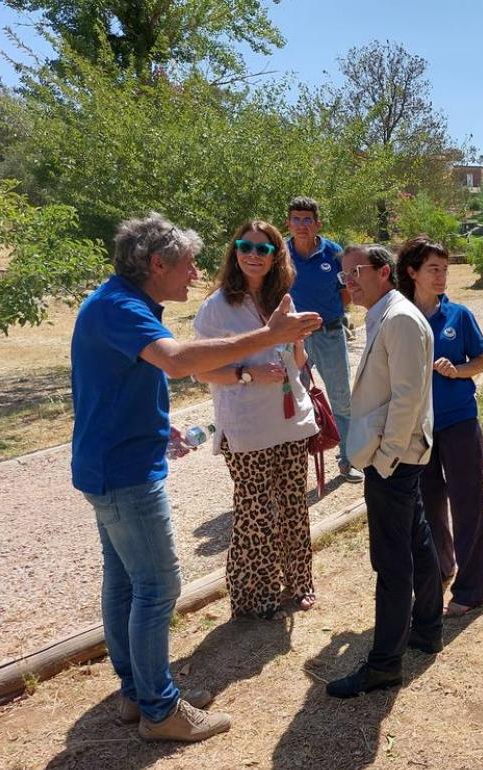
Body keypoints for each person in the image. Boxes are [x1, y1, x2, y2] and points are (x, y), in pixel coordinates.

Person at [70, 214, 322, 741]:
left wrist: (160, 428)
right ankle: (161, 710)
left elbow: (124, 383)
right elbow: (178, 361)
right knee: (158, 587)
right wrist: (269, 336)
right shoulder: (121, 307)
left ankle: (137, 695)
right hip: (124, 472)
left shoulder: (124, 304)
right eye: (187, 264)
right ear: (156, 263)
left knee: (124, 585)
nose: (195, 272)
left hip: (116, 461)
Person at [325, 244, 444, 699]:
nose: (347, 281)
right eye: (343, 275)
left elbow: (408, 398)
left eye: (355, 271)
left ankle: (384, 664)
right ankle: (427, 628)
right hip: (395, 456)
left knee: (392, 562)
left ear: (383, 271)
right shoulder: (387, 314)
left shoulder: (399, 319)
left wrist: (387, 457)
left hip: (393, 459)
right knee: (416, 540)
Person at [192, 221, 319, 620]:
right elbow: (200, 370)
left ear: (275, 256)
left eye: (262, 249)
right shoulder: (216, 308)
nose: (252, 254)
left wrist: (298, 341)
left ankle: (299, 583)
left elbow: (297, 363)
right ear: (234, 252)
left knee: (294, 506)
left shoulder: (281, 299)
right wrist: (247, 374)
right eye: (245, 246)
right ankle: (254, 597)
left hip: (290, 419)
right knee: (257, 514)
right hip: (246, 428)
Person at [396, 236, 483, 619]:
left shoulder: (459, 315)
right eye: (433, 269)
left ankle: (473, 590)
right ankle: (440, 567)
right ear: (412, 272)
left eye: (445, 269)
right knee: (428, 503)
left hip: (458, 422)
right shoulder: (400, 317)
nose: (441, 277)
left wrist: (458, 371)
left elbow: (481, 360)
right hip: (418, 426)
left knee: (468, 505)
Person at [284, 196, 361, 483]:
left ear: (318, 224)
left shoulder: (334, 253)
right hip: (292, 338)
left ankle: (349, 459)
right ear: (288, 222)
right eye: (296, 219)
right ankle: (292, 466)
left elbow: (345, 292)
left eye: (308, 219)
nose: (302, 225)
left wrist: (334, 314)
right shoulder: (280, 253)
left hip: (329, 333)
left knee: (341, 397)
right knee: (289, 398)